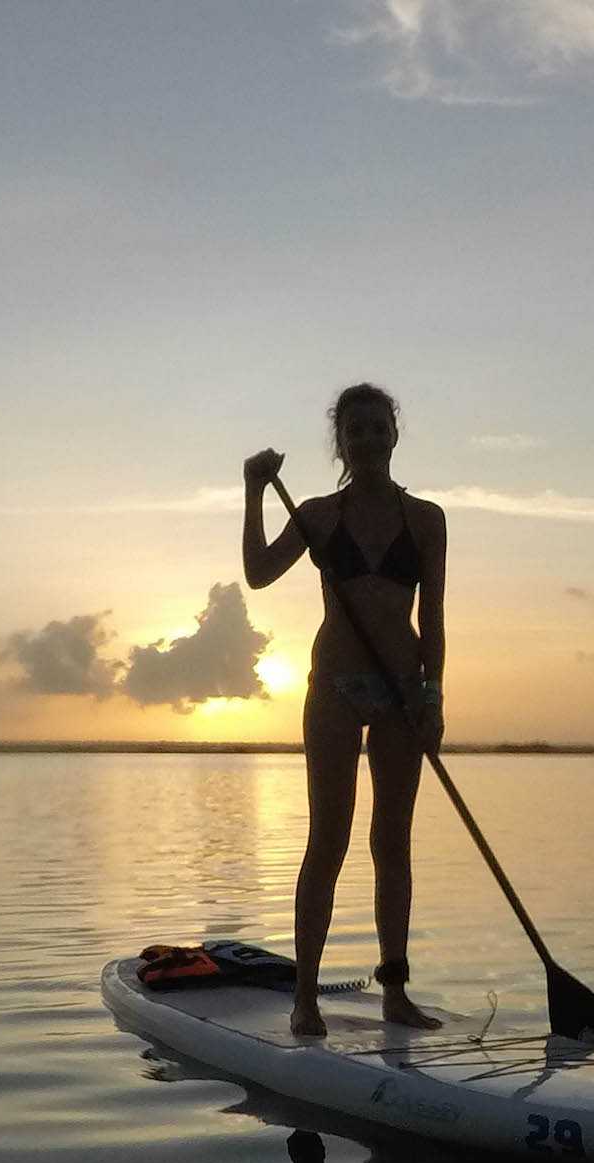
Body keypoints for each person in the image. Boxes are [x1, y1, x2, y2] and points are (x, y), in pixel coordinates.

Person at [243, 383, 446, 1037]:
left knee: (393, 844)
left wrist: (434, 695)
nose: (367, 438)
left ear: (394, 433)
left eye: (377, 426)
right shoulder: (318, 514)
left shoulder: (427, 519)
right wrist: (253, 491)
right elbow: (257, 573)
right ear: (341, 443)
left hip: (402, 693)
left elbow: (434, 618)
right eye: (354, 429)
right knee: (326, 842)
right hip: (334, 689)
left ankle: (394, 995)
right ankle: (306, 997)